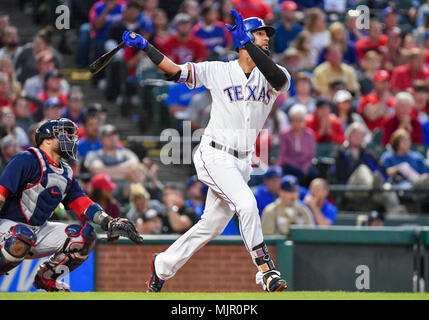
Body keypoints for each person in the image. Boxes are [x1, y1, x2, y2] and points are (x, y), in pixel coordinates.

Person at [122, 9, 291, 292]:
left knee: (210, 226)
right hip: (214, 154)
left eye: (266, 35)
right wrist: (146, 46)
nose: (266, 39)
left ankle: (162, 266)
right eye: (260, 34)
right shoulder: (219, 69)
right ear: (243, 39)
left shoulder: (276, 74)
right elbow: (176, 71)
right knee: (247, 204)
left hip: (243, 162)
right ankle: (267, 270)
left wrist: (247, 43)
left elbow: (275, 77)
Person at [0, 119, 142, 291]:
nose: (71, 139)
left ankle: (47, 278)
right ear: (47, 139)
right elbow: (1, 193)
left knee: (84, 236)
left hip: (36, 231)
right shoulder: (27, 159)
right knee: (21, 237)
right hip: (8, 226)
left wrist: (109, 222)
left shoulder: (66, 172)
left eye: (70, 135)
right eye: (64, 134)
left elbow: (82, 202)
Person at [334, 122, 403, 214]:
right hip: (351, 188)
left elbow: (382, 170)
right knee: (362, 169)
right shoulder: (341, 153)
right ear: (349, 136)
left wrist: (382, 181)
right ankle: (373, 187)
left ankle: (395, 217)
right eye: (356, 135)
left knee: (388, 189)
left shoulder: (368, 154)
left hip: (374, 190)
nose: (359, 137)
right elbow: (340, 175)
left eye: (361, 135)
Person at [84, 123, 139, 192]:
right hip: (104, 196)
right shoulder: (93, 154)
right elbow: (97, 170)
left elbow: (134, 165)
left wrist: (106, 171)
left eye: (114, 135)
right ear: (101, 140)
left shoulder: (126, 153)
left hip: (126, 194)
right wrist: (125, 174)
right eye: (108, 136)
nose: (112, 138)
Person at [278, 104, 318, 187]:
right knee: (298, 175)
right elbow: (284, 155)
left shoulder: (309, 134)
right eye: (294, 120)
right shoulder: (284, 134)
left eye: (299, 120)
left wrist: (305, 167)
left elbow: (311, 155)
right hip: (290, 166)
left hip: (305, 166)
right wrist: (298, 167)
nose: (296, 123)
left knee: (314, 176)